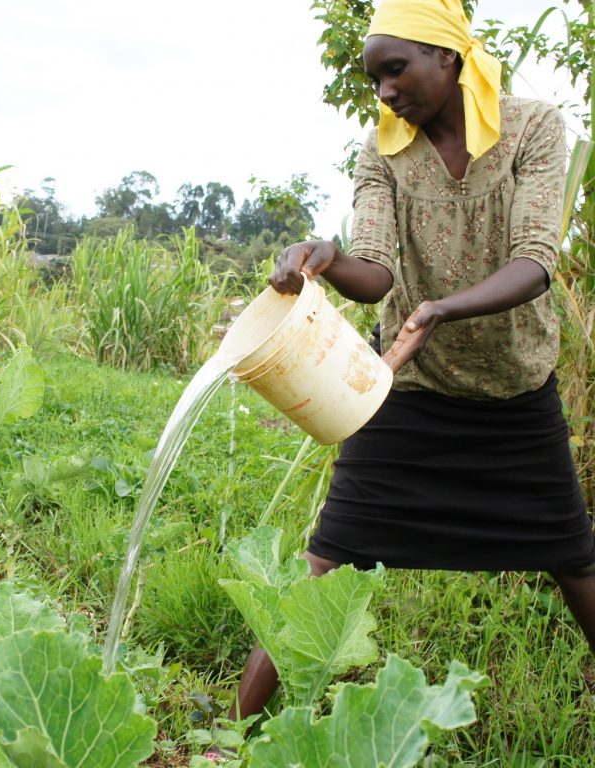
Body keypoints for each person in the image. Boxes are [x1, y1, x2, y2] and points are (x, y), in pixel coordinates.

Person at [202, 0, 595, 761]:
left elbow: (537, 259)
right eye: (373, 76)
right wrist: (323, 254)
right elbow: (376, 275)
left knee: (574, 557)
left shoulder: (534, 127)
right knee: (329, 554)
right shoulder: (382, 154)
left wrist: (443, 307)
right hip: (408, 393)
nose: (383, 91)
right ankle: (228, 741)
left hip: (515, 396)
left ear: (448, 58)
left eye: (395, 69)